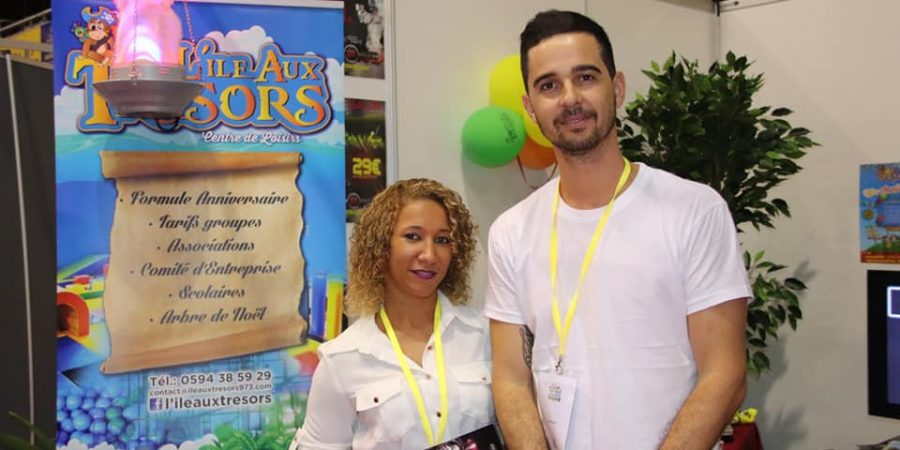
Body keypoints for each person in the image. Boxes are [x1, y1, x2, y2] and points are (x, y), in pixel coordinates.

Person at [485, 10, 752, 450]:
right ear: (530, 107)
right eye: (549, 86)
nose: (570, 98)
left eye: (585, 77)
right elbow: (511, 378)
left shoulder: (693, 210)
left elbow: (725, 374)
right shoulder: (510, 231)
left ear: (618, 88)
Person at [293, 178, 494, 449]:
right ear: (381, 246)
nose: (429, 255)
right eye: (413, 237)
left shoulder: (486, 335)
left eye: (442, 240)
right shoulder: (342, 358)